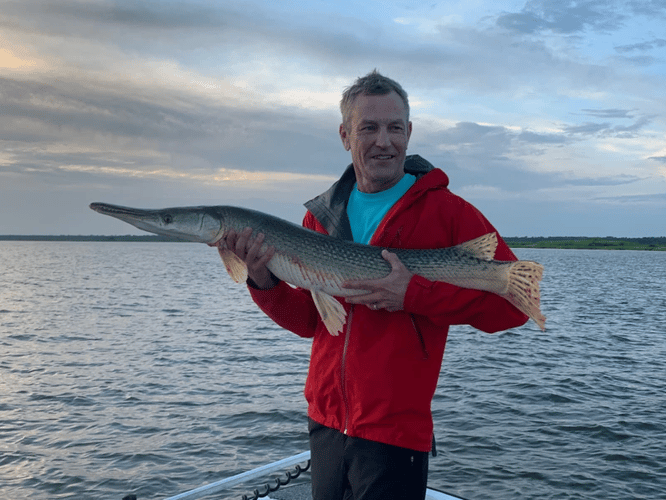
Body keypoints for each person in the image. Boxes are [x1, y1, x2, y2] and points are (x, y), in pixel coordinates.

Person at [218, 70, 528, 500]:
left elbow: (514, 309)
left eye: (394, 128)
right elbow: (313, 322)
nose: (384, 141)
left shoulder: (448, 213)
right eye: (369, 128)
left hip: (395, 433)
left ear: (409, 132)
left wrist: (413, 295)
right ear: (346, 136)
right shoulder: (320, 218)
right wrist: (261, 279)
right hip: (326, 422)